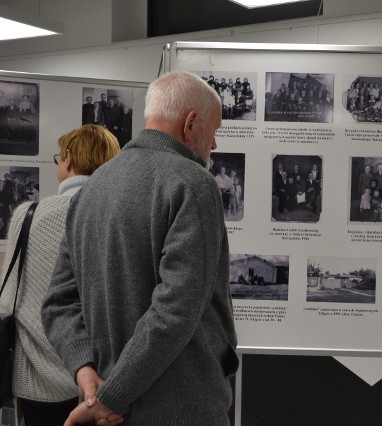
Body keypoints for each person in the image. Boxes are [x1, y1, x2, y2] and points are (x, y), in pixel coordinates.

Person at [41, 71, 238, 425]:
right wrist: (108, 398)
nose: (214, 144)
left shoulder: (93, 186)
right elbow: (175, 310)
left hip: (111, 409)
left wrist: (86, 376)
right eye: (214, 130)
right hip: (180, 408)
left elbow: (58, 302)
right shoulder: (193, 184)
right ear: (191, 123)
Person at [0, 124, 120, 426]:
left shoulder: (28, 215)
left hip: (37, 381)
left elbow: (9, 300)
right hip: (104, 383)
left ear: (67, 159)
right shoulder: (119, 215)